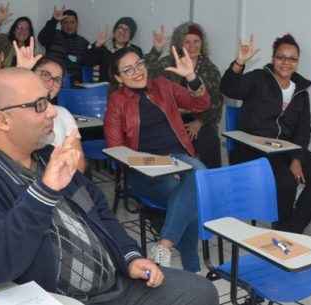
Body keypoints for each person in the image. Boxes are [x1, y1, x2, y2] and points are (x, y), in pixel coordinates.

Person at [0, 67, 217, 305]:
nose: (52, 111)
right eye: (39, 105)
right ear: (3, 120)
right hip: (59, 298)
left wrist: (129, 256)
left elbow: (98, 207)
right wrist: (43, 194)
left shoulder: (45, 154)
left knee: (200, 291)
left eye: (49, 101)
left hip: (114, 284)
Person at [105, 47, 210, 271]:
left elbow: (201, 104)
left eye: (139, 64)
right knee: (189, 193)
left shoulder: (163, 85)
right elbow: (115, 149)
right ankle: (192, 268)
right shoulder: (117, 101)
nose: (137, 72)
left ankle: (163, 245)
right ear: (118, 77)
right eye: (128, 70)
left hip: (178, 159)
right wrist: (147, 162)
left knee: (199, 177)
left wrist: (191, 77)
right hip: (145, 169)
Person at [220, 33, 311, 234]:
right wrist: (239, 62)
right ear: (273, 59)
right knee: (287, 181)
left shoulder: (301, 91)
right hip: (251, 148)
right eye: (281, 57)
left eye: (292, 58)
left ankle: (291, 230)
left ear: (297, 62)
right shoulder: (258, 78)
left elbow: (303, 129)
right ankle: (282, 230)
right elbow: (228, 88)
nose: (286, 62)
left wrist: (296, 158)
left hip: (284, 149)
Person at [146, 22, 223, 168]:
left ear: (202, 43)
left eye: (196, 41)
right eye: (186, 42)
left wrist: (199, 122)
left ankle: (211, 180)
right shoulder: (168, 62)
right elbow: (144, 74)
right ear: (179, 43)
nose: (192, 46)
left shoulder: (210, 68)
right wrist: (156, 50)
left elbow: (216, 102)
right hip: (168, 118)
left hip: (199, 119)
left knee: (209, 139)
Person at [13, 40, 86, 172]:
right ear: (31, 74)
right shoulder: (16, 111)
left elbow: (79, 164)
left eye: (57, 79)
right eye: (45, 75)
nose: (51, 83)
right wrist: (22, 72)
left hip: (63, 182)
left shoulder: (63, 113)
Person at [80, 17, 143, 83]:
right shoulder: (103, 47)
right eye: (120, 28)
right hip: (105, 89)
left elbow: (139, 74)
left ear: (131, 35)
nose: (122, 32)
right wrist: (96, 46)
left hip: (127, 89)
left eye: (127, 30)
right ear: (114, 31)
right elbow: (85, 62)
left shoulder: (135, 51)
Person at [38, 6, 89, 84]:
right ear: (61, 24)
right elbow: (42, 39)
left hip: (73, 82)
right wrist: (54, 20)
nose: (69, 26)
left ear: (77, 24)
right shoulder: (53, 35)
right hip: (51, 79)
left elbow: (90, 59)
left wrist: (96, 47)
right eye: (65, 22)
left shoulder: (83, 42)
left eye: (72, 22)